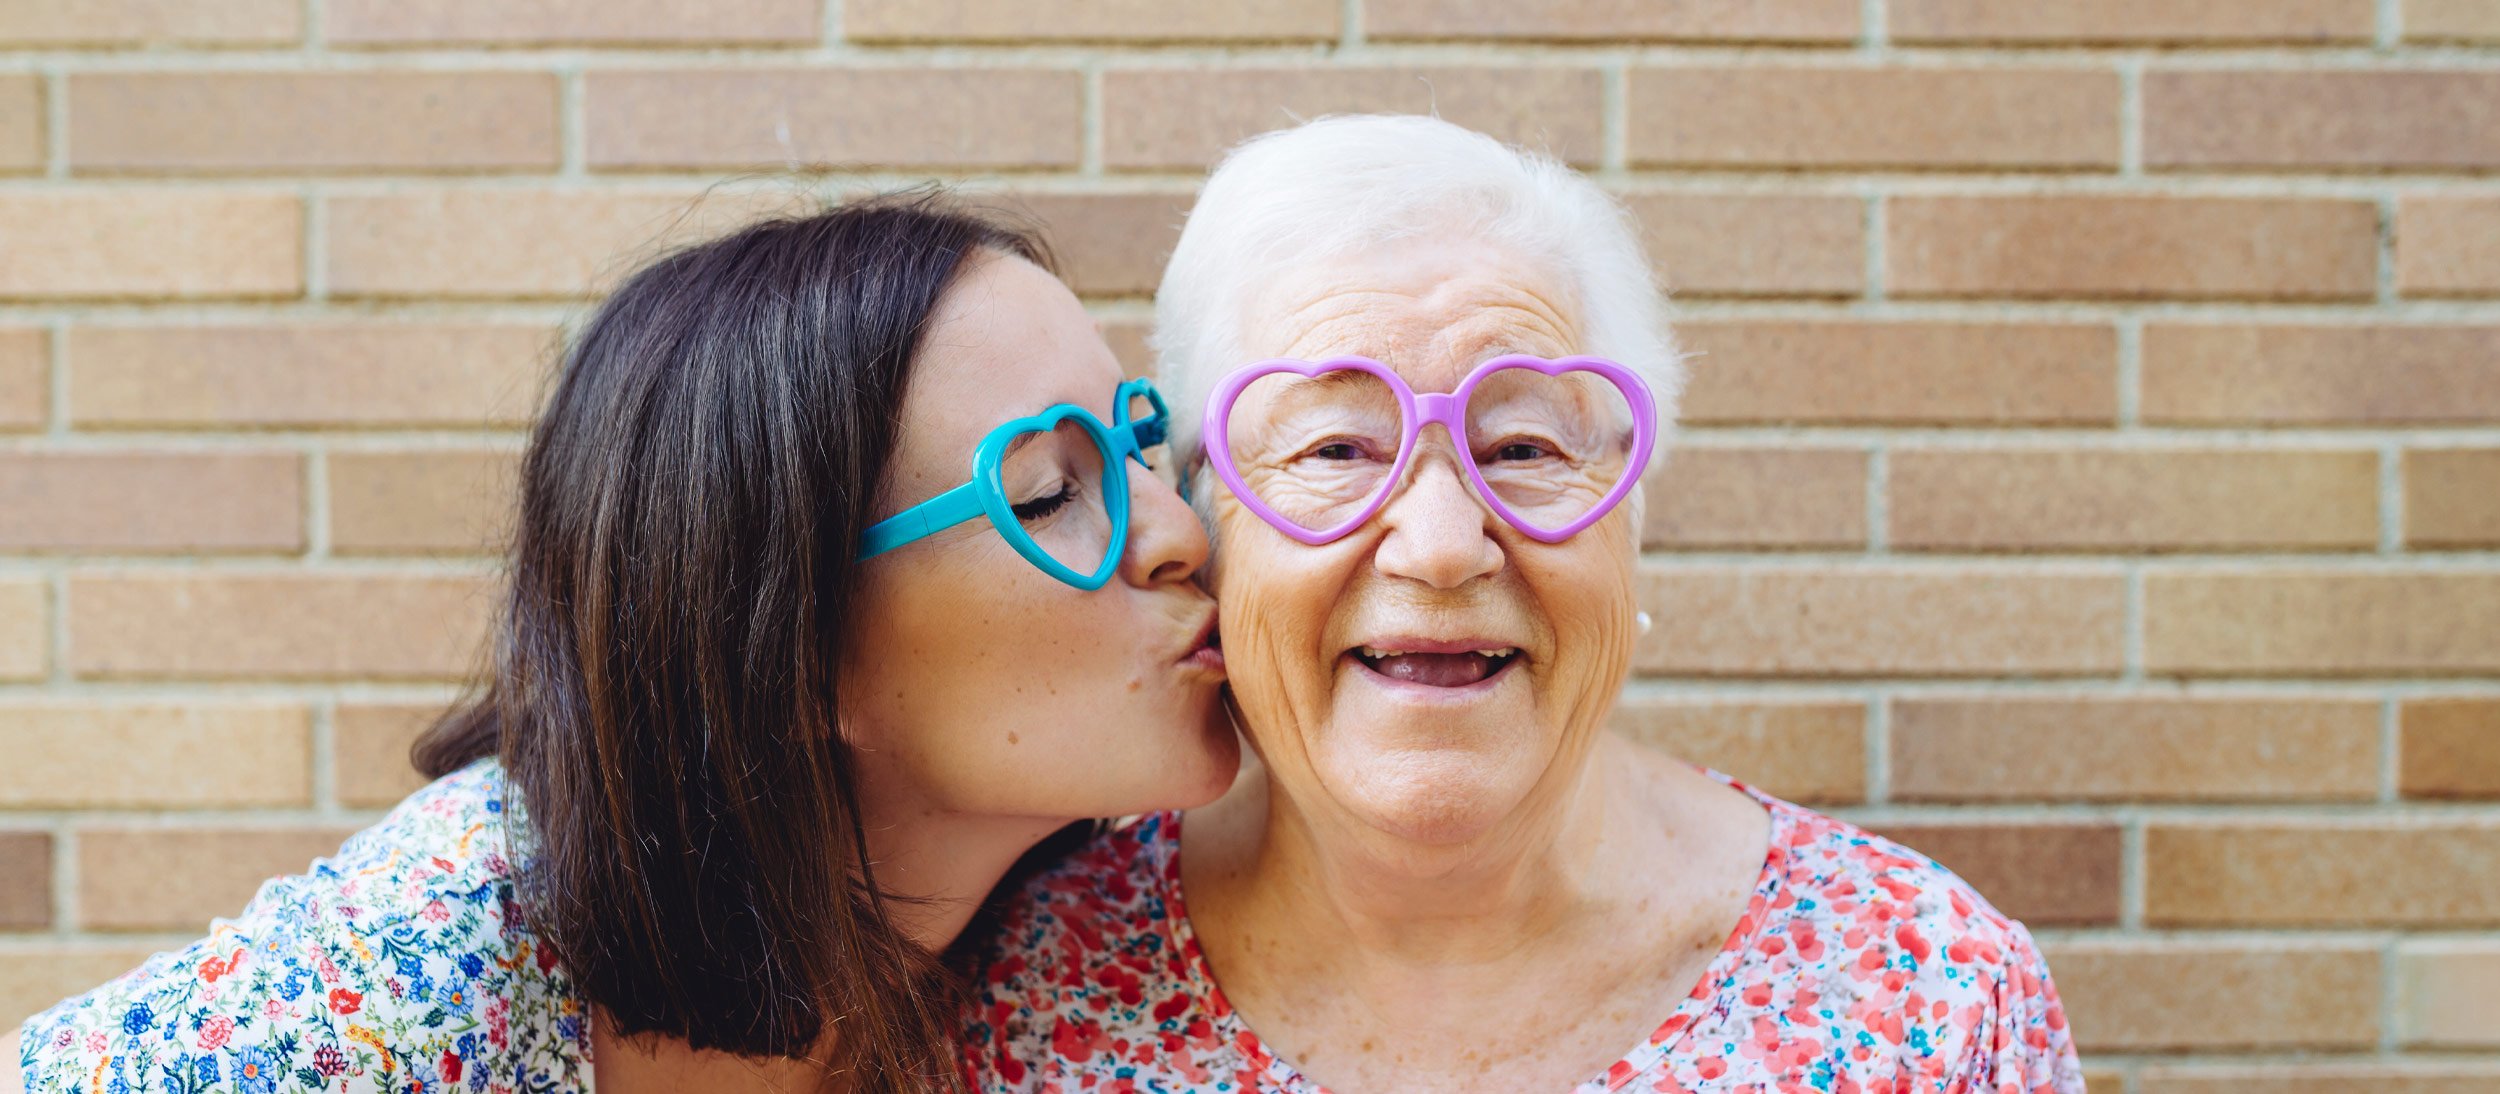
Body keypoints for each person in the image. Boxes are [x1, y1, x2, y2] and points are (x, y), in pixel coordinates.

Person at [10, 191, 1238, 1094]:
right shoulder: (403, 987)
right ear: (785, 644)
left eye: (1138, 444)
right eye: (1045, 493)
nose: (1178, 531)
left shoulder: (1096, 921)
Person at [963, 116, 2088, 1093]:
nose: (1445, 547)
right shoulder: (1008, 986)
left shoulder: (1929, 995)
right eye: (1337, 447)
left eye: (1524, 445)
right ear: (1207, 528)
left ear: (1631, 521)